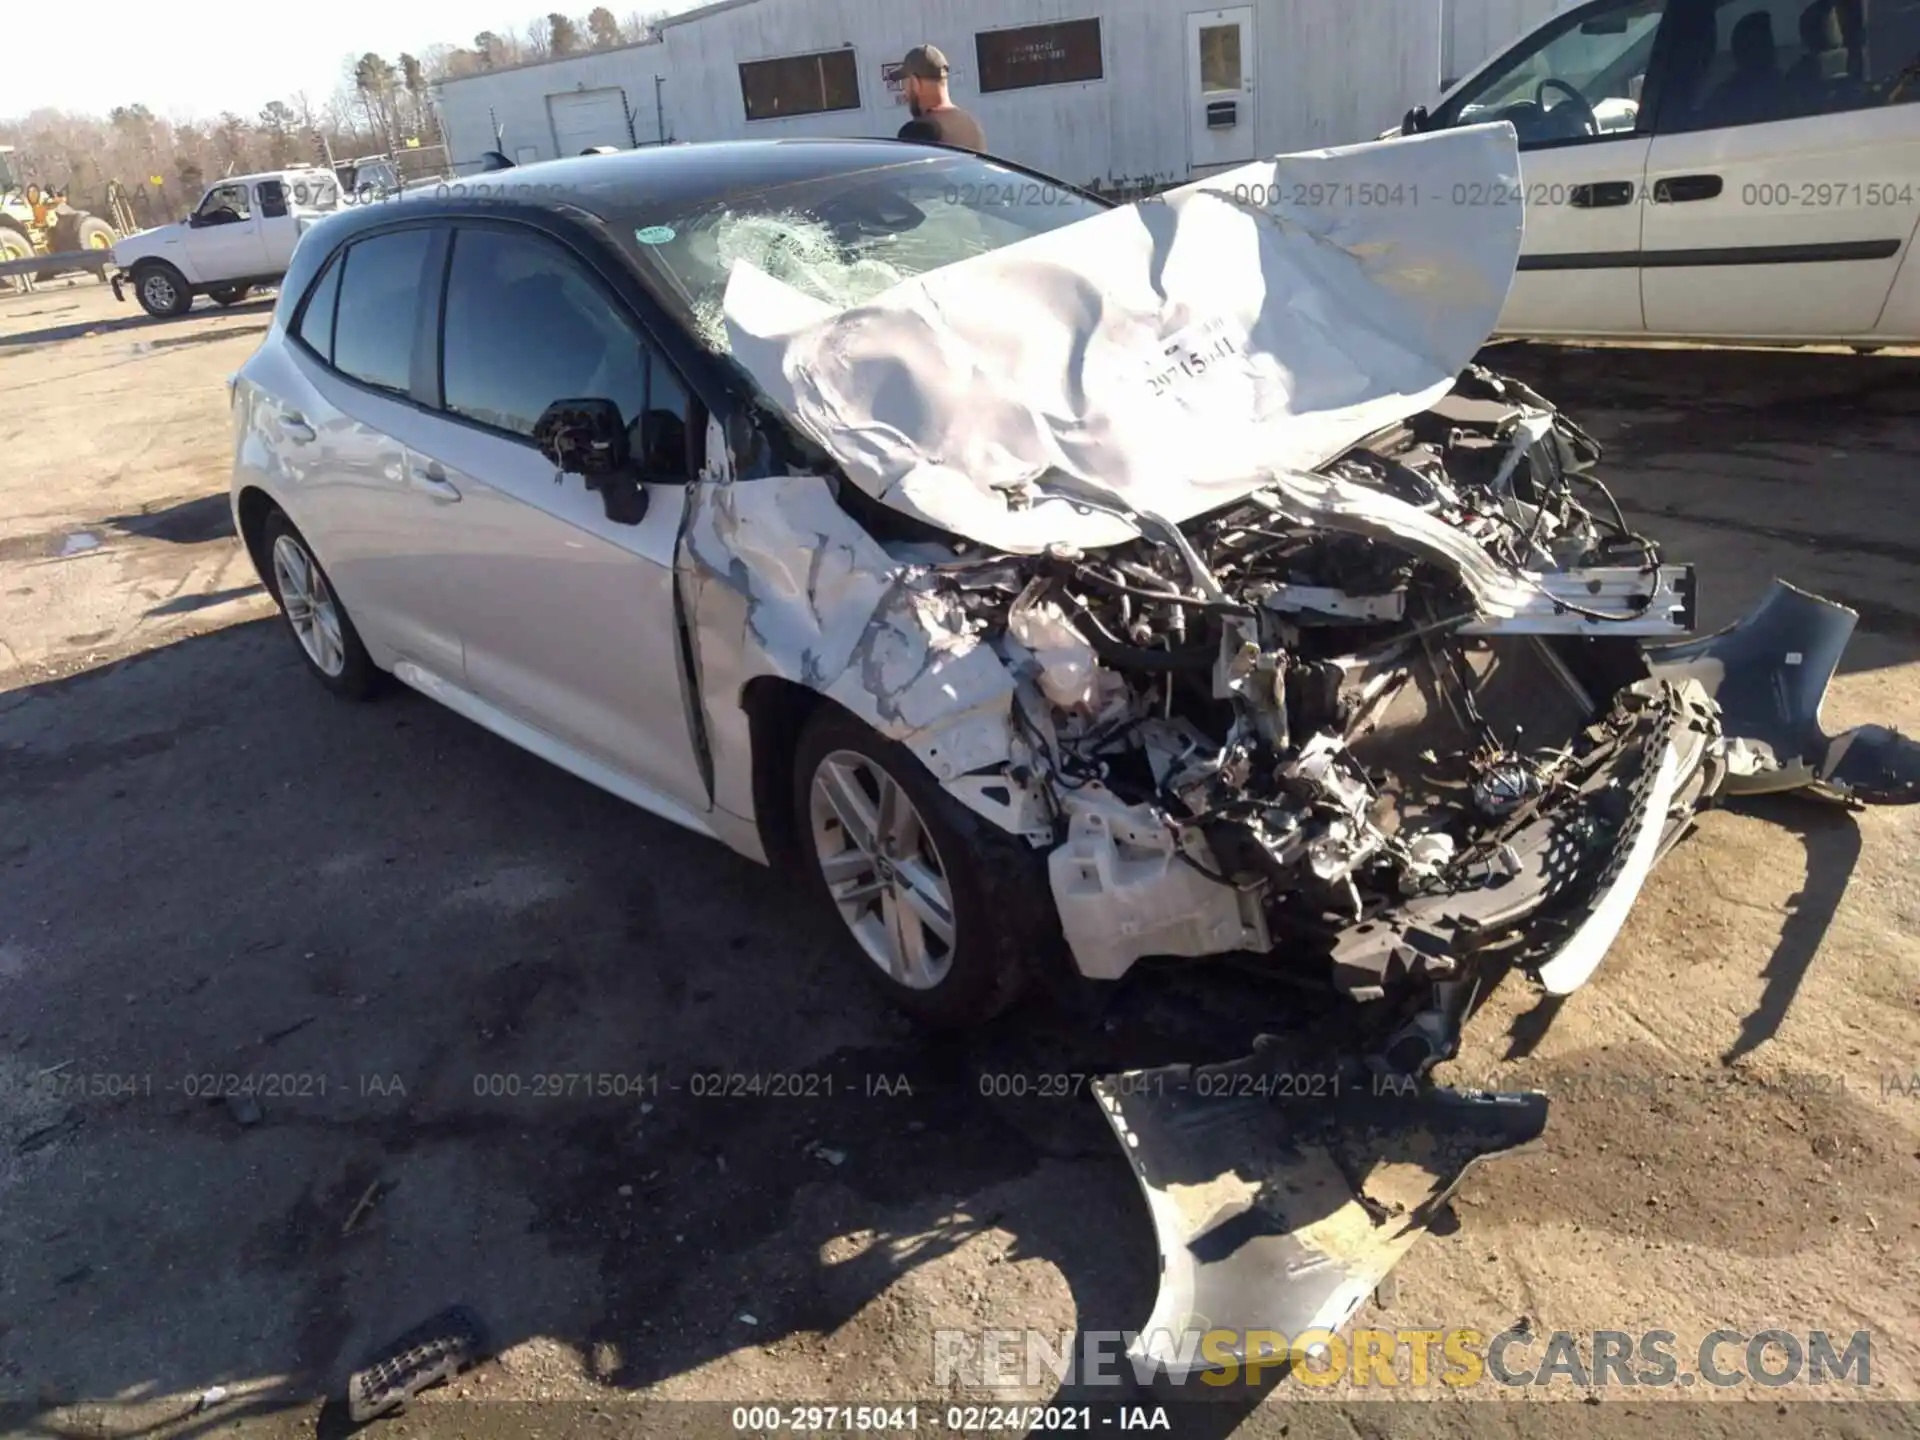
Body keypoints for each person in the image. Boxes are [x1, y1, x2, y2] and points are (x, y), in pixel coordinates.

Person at [895, 45, 985, 152]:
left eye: (904, 83)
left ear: (915, 83)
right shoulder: (972, 126)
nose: (904, 92)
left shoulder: (918, 132)